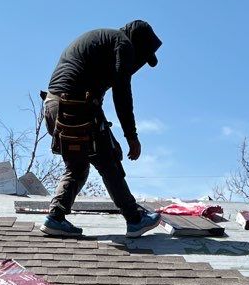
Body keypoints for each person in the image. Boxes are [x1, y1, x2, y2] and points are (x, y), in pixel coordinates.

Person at [40, 20, 163, 238]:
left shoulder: (103, 41)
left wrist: (110, 135)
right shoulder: (122, 43)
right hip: (75, 106)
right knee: (108, 161)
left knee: (78, 166)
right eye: (142, 56)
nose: (139, 63)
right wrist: (131, 136)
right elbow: (122, 92)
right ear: (138, 43)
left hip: (54, 106)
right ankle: (135, 219)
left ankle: (55, 218)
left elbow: (94, 100)